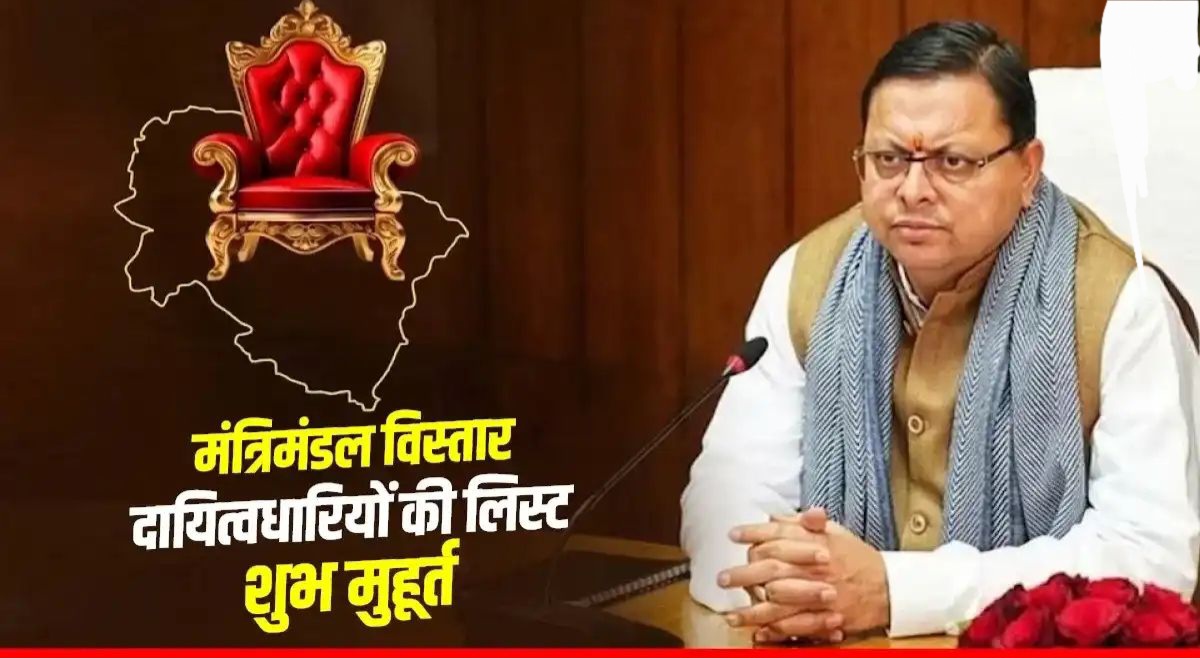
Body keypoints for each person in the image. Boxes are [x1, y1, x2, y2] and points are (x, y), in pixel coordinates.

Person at [680, 20, 1200, 644]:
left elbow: (1149, 557)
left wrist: (896, 593)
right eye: (889, 159)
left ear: (1027, 169)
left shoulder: (1119, 303)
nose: (913, 191)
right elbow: (725, 495)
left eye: (953, 162)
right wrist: (790, 586)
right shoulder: (807, 279)